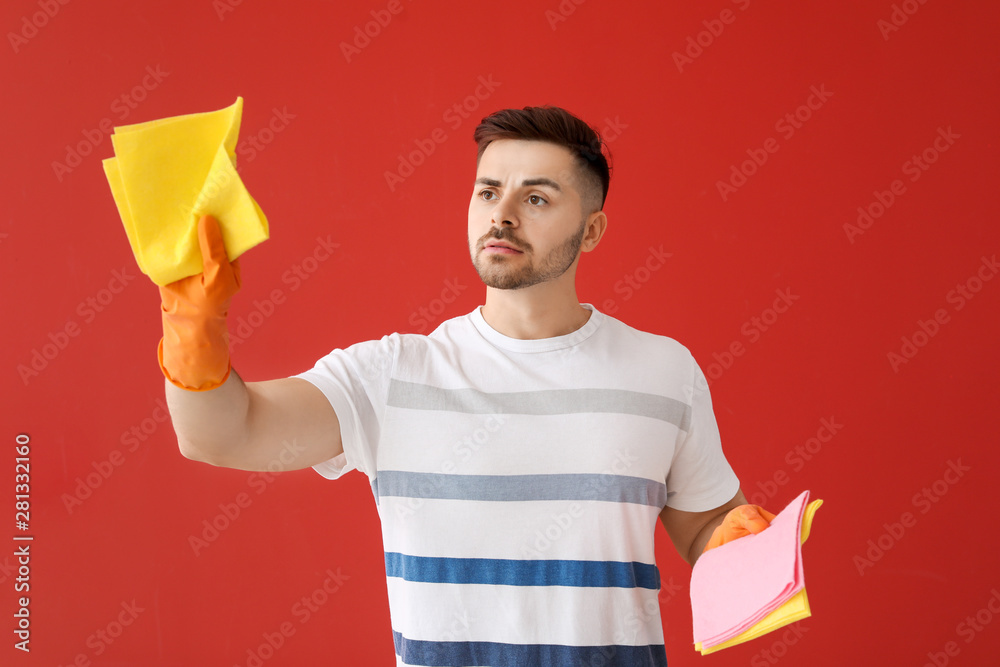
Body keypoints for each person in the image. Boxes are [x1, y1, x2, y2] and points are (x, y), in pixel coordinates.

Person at [161, 105, 774, 667]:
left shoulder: (664, 371)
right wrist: (192, 327)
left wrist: (732, 540)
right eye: (488, 191)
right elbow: (223, 434)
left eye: (537, 198)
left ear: (591, 231)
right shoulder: (392, 376)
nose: (501, 213)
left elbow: (702, 526)